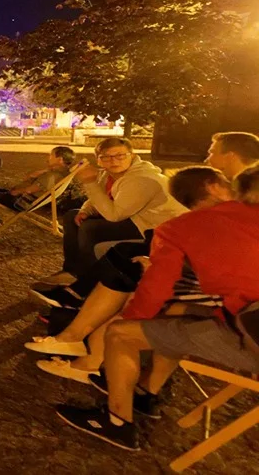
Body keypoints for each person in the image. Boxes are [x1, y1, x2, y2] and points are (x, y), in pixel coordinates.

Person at [53, 165, 259, 451]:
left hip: (252, 334)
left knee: (120, 333)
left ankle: (116, 422)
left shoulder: (179, 229)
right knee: (173, 312)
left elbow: (154, 292)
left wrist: (126, 319)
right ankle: (147, 394)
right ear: (213, 186)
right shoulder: (249, 212)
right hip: (246, 316)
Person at [28, 167, 235, 383]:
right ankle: (77, 333)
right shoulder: (230, 213)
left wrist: (159, 268)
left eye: (212, 152)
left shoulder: (145, 180)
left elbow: (223, 265)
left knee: (129, 287)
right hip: (212, 285)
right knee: (128, 265)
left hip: (228, 305)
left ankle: (84, 348)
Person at [52, 138, 185, 283]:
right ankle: (72, 270)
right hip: (134, 217)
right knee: (72, 216)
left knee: (91, 228)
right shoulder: (107, 174)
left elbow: (114, 216)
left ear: (132, 156)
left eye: (120, 156)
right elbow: (99, 197)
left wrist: (89, 182)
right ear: (98, 160)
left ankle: (87, 277)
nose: (114, 161)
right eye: (106, 157)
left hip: (155, 226)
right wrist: (85, 211)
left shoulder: (142, 179)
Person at [0, 146, 81, 232]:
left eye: (51, 155)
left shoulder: (52, 176)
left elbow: (31, 189)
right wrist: (46, 169)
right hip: (25, 198)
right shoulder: (59, 173)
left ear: (60, 159)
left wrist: (15, 192)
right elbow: (30, 176)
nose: (48, 157)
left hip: (22, 201)